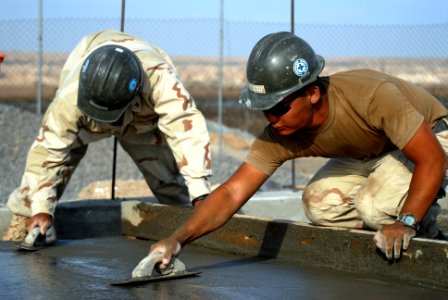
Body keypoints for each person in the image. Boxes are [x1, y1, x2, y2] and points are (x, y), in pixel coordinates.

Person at [140, 31, 448, 270]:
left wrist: (407, 220)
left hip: (433, 137)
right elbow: (232, 193)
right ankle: (391, 223)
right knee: (317, 204)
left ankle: (427, 234)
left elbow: (432, 158)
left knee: (374, 206)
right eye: (264, 110)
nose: (271, 119)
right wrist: (175, 240)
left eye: (278, 108)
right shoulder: (281, 133)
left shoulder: (372, 96)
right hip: (375, 152)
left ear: (312, 93)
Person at [3, 30, 212, 242]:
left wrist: (200, 194)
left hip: (140, 119)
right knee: (53, 171)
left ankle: (194, 228)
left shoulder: (160, 79)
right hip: (85, 112)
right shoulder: (69, 99)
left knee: (171, 181)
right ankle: (27, 221)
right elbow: (48, 151)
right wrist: (40, 209)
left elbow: (186, 130)